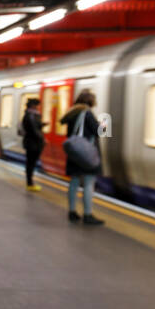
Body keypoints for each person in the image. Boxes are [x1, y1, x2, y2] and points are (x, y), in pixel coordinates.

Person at [60, 90, 104, 226]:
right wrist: (104, 126)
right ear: (90, 101)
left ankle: (72, 212)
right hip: (87, 154)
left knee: (74, 182)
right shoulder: (87, 113)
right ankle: (88, 214)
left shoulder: (72, 113)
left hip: (74, 153)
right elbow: (99, 132)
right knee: (88, 184)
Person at [18, 97, 46, 191]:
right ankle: (30, 183)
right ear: (33, 105)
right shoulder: (31, 115)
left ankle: (30, 183)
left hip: (32, 142)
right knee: (31, 163)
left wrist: (42, 125)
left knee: (31, 162)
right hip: (33, 143)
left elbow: (34, 127)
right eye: (38, 105)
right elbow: (34, 130)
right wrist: (42, 139)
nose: (38, 107)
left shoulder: (30, 114)